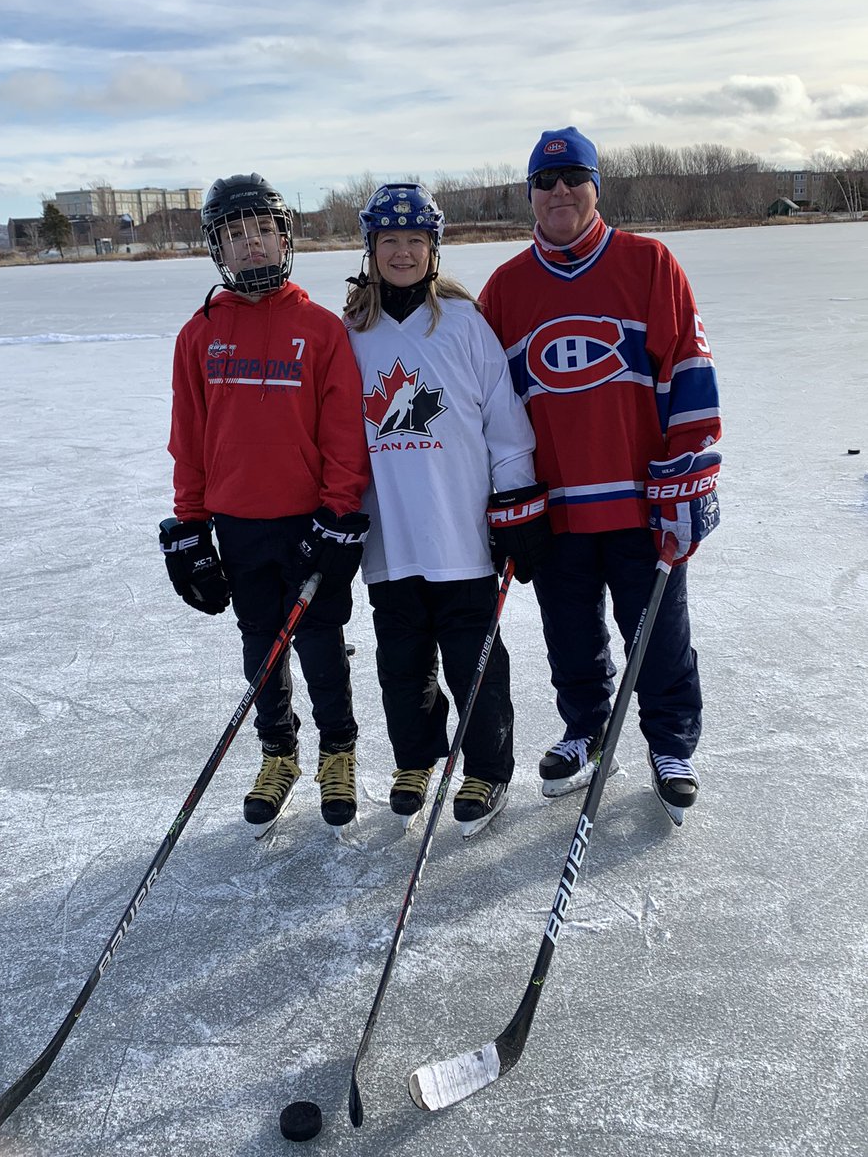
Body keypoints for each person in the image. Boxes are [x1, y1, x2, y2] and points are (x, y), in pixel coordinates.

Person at [480, 128, 721, 822]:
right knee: (569, 633)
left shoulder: (648, 264)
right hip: (554, 506)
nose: (559, 193)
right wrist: (501, 499)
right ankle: (585, 730)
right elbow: (489, 408)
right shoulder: (506, 289)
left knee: (659, 633)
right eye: (545, 183)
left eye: (573, 179)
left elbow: (690, 375)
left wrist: (689, 478)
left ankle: (670, 742)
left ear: (595, 188)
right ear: (530, 195)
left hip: (641, 499)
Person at [160, 172, 370, 834]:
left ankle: (339, 753)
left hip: (308, 524)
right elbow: (189, 438)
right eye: (234, 234)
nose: (250, 244)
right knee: (261, 649)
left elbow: (343, 435)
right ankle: (278, 755)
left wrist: (340, 514)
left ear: (285, 237)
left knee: (319, 645)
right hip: (237, 525)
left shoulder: (320, 330)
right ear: (217, 246)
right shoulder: (199, 335)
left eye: (261, 231)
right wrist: (190, 526)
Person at [343, 183, 549, 838]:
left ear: (434, 250)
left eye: (415, 241)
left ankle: (486, 768)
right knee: (401, 662)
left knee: (473, 663)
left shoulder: (464, 325)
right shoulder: (351, 333)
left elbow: (507, 428)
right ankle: (415, 760)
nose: (402, 253)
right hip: (390, 538)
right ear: (370, 249)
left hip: (461, 536)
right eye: (389, 241)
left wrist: (515, 508)